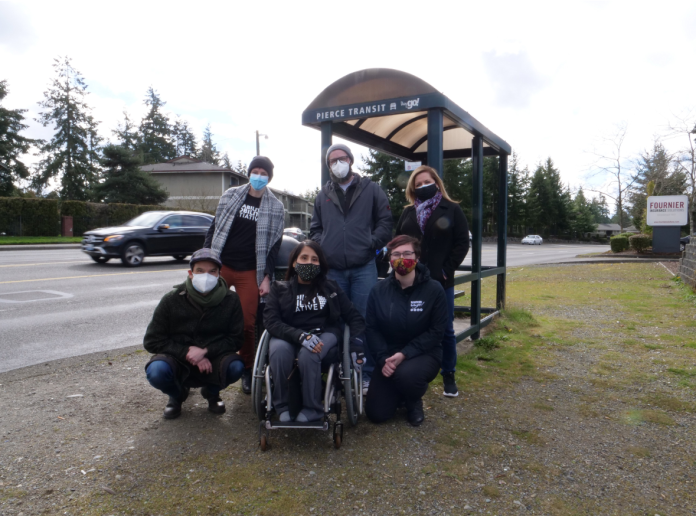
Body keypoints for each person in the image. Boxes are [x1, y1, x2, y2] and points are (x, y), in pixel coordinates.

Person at [309, 143, 393, 393]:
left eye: (341, 158)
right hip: (333, 270)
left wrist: (371, 244)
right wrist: (322, 246)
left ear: (351, 160)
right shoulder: (322, 195)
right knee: (335, 320)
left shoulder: (372, 189)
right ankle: (339, 372)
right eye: (332, 161)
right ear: (328, 166)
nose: (337, 163)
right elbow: (315, 228)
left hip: (363, 268)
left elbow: (385, 222)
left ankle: (364, 373)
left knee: (363, 320)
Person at [203, 155, 285, 395]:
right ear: (249, 173)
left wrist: (267, 276)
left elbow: (274, 246)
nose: (258, 176)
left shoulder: (277, 207)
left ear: (269, 177)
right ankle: (207, 367)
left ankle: (247, 369)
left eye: (263, 172)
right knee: (208, 315)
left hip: (251, 269)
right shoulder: (230, 195)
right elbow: (215, 227)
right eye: (255, 171)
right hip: (222, 265)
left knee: (248, 324)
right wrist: (206, 259)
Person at [263, 240, 365, 422]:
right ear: (294, 262)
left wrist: (356, 345)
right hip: (289, 334)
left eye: (314, 259)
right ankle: (282, 405)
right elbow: (271, 321)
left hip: (324, 334)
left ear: (320, 264)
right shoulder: (279, 288)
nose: (309, 262)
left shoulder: (330, 287)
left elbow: (354, 317)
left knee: (310, 352)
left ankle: (313, 408)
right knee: (278, 352)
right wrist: (300, 336)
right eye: (304, 257)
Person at [143, 249, 245, 419]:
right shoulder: (171, 299)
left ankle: (212, 393)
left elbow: (236, 339)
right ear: (191, 274)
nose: (206, 276)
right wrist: (187, 352)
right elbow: (152, 340)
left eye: (212, 271)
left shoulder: (231, 299)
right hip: (177, 358)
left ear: (219, 274)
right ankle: (176, 395)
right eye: (200, 271)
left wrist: (206, 351)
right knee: (156, 371)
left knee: (236, 367)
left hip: (214, 357)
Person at [395, 165, 469, 397]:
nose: (422, 186)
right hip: (409, 280)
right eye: (417, 184)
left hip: (439, 281)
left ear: (436, 182)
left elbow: (461, 243)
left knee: (445, 329)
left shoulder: (452, 208)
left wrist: (446, 271)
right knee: (407, 326)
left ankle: (449, 374)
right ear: (412, 189)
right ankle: (408, 372)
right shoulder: (408, 212)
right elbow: (397, 241)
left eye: (427, 182)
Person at [365, 235, 447, 426]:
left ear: (417, 257)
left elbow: (437, 331)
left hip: (424, 353)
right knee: (377, 415)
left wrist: (405, 354)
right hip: (388, 355)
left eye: (407, 253)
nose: (402, 258)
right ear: (390, 259)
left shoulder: (434, 290)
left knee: (407, 375)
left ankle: (413, 400)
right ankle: (399, 394)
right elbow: (372, 329)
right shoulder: (378, 291)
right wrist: (382, 359)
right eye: (396, 254)